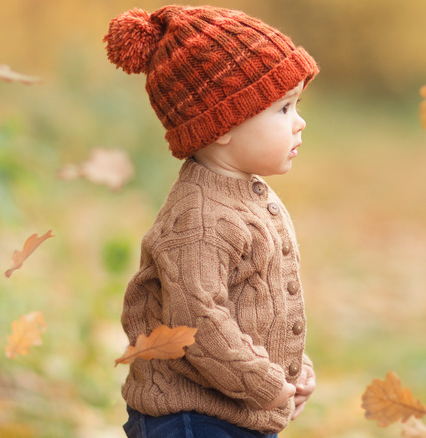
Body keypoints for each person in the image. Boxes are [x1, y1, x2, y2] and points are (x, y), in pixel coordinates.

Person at [103, 5, 319, 437]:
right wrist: (265, 382)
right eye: (283, 109)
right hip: (191, 421)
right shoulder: (200, 219)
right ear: (221, 124)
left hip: (233, 413)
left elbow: (257, 304)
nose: (300, 123)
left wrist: (292, 370)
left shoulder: (247, 194)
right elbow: (198, 322)